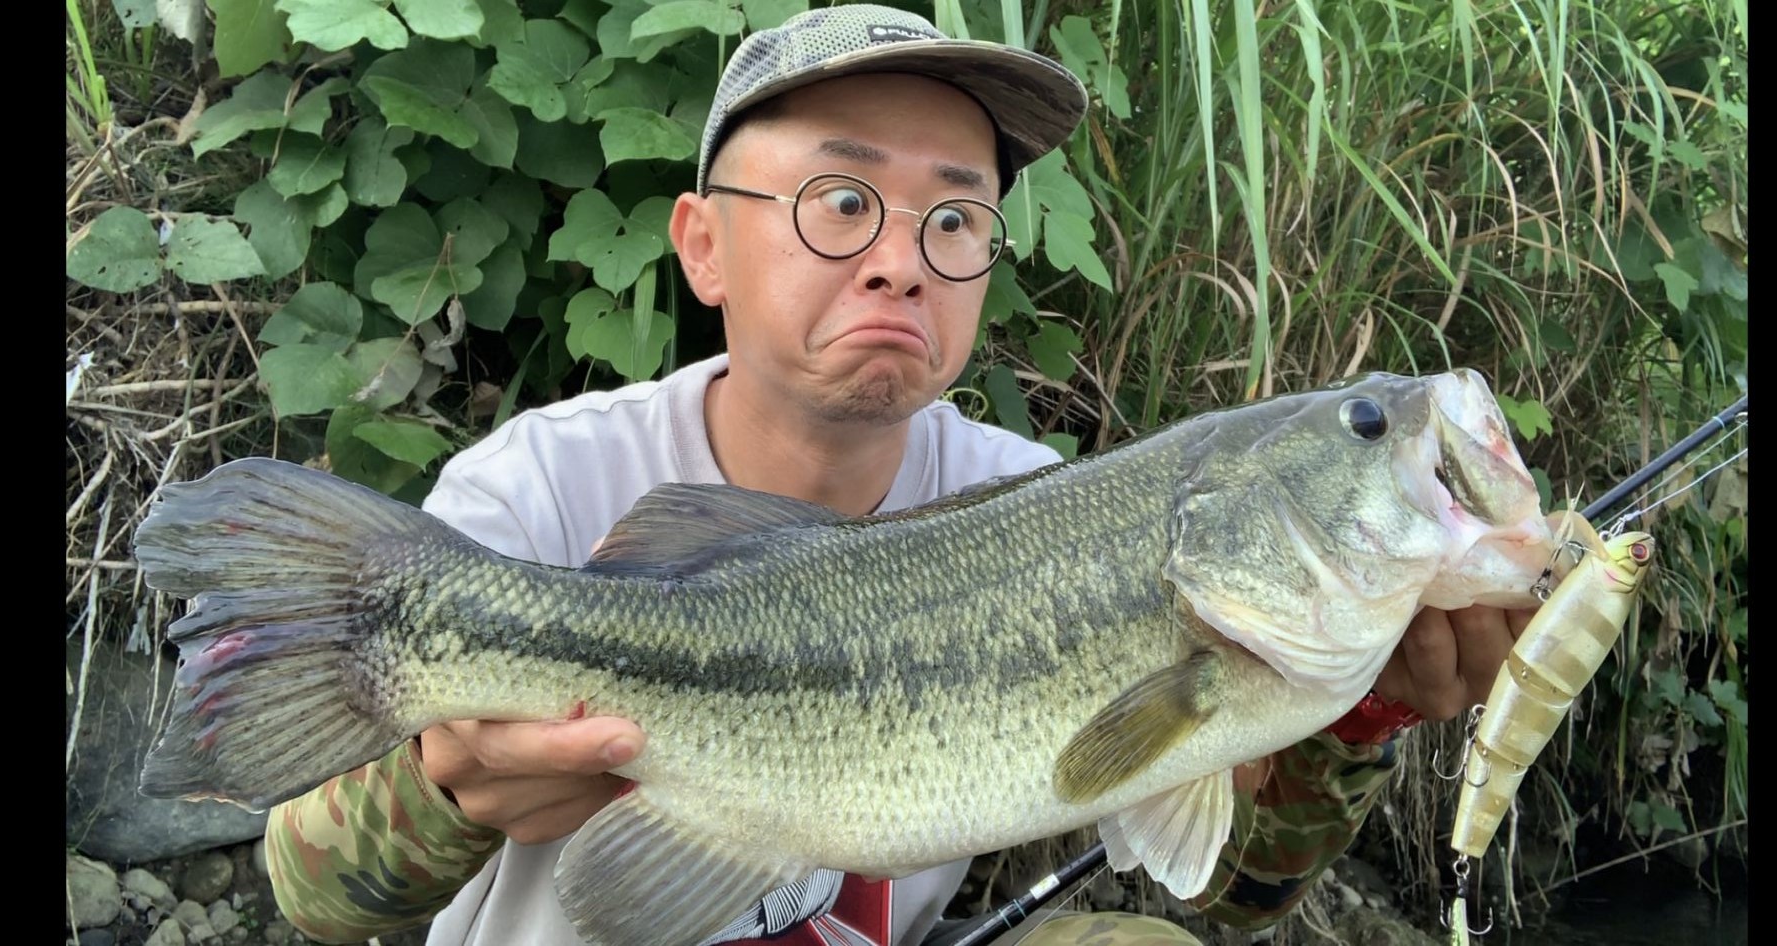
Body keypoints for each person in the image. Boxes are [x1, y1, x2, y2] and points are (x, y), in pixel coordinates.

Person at [263, 6, 1535, 945]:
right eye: (837, 201)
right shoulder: (535, 488)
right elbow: (308, 893)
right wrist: (446, 785)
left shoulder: (1040, 500)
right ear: (701, 245)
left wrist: (1354, 725)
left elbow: (1235, 890)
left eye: (952, 218)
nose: (897, 262)